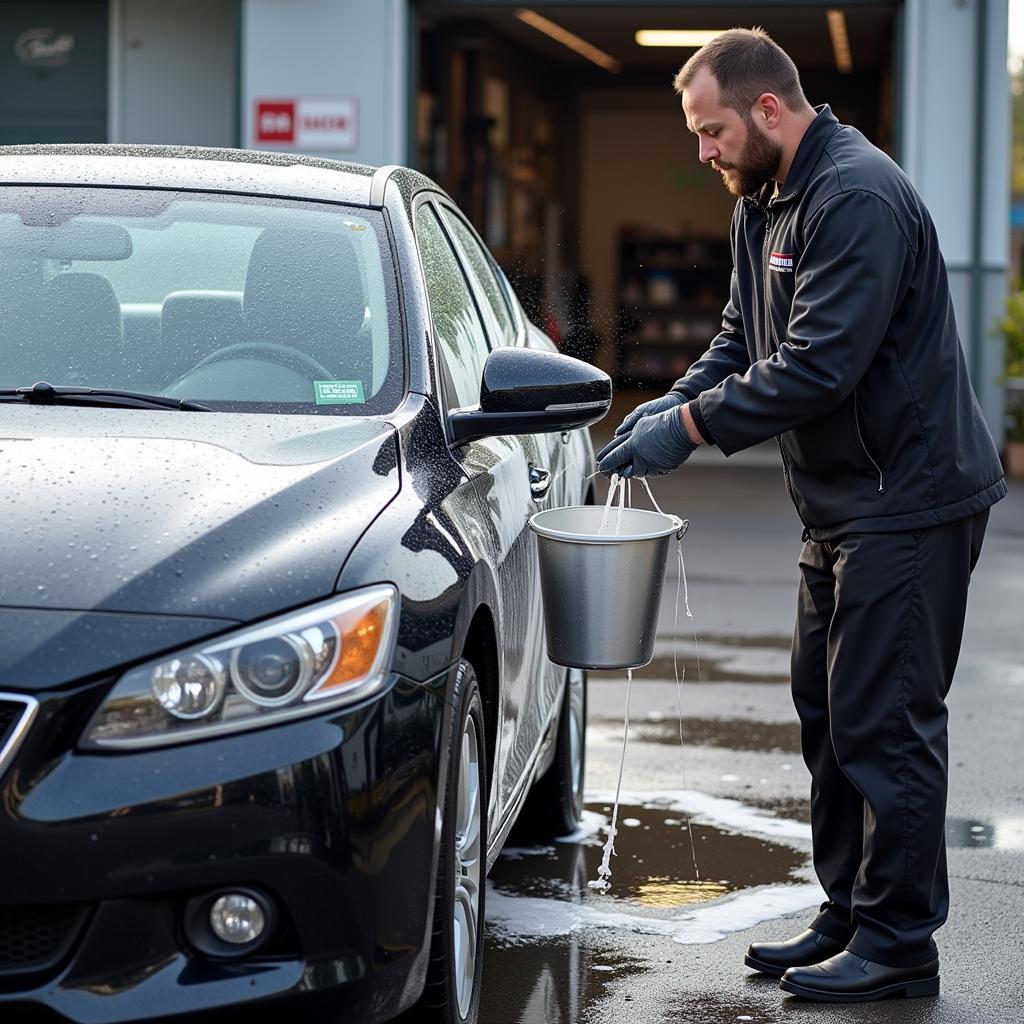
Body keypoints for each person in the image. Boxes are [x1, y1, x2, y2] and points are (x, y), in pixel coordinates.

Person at [597, 28, 1006, 1004]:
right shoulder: (762, 200)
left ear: (768, 110)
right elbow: (742, 336)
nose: (702, 151)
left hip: (905, 504)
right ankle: (849, 911)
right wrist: (661, 406)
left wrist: (688, 428)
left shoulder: (853, 195)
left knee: (884, 723)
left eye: (710, 131)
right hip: (839, 509)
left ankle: (900, 938)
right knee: (828, 719)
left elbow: (819, 365)